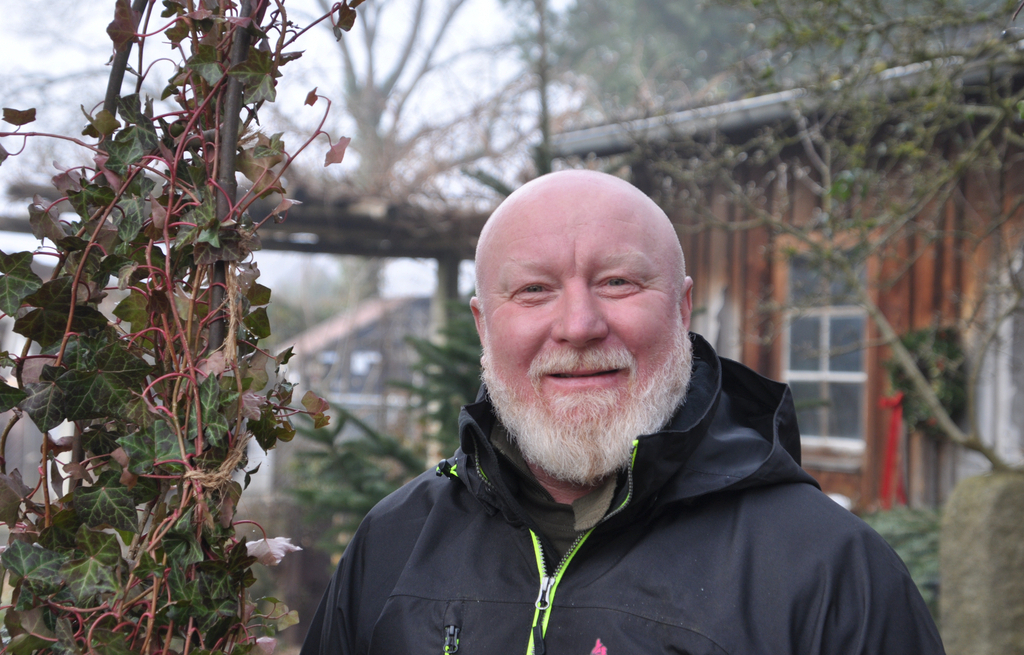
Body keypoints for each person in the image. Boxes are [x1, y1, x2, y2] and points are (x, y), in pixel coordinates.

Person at [300, 170, 945, 655]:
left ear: (682, 309)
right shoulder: (393, 545)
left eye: (618, 283)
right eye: (534, 290)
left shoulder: (829, 572)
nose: (579, 326)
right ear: (483, 325)